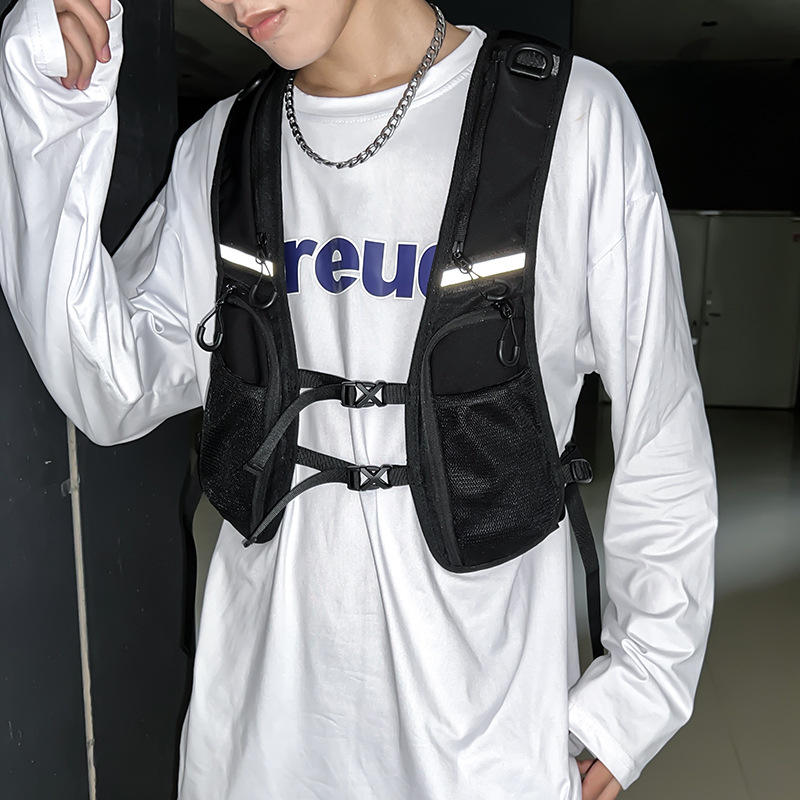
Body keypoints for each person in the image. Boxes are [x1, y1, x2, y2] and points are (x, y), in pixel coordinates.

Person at [0, 0, 718, 798]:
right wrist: (50, 111)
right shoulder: (225, 147)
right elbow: (110, 388)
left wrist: (637, 697)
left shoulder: (567, 118)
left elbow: (662, 432)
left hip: (481, 743)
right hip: (259, 739)